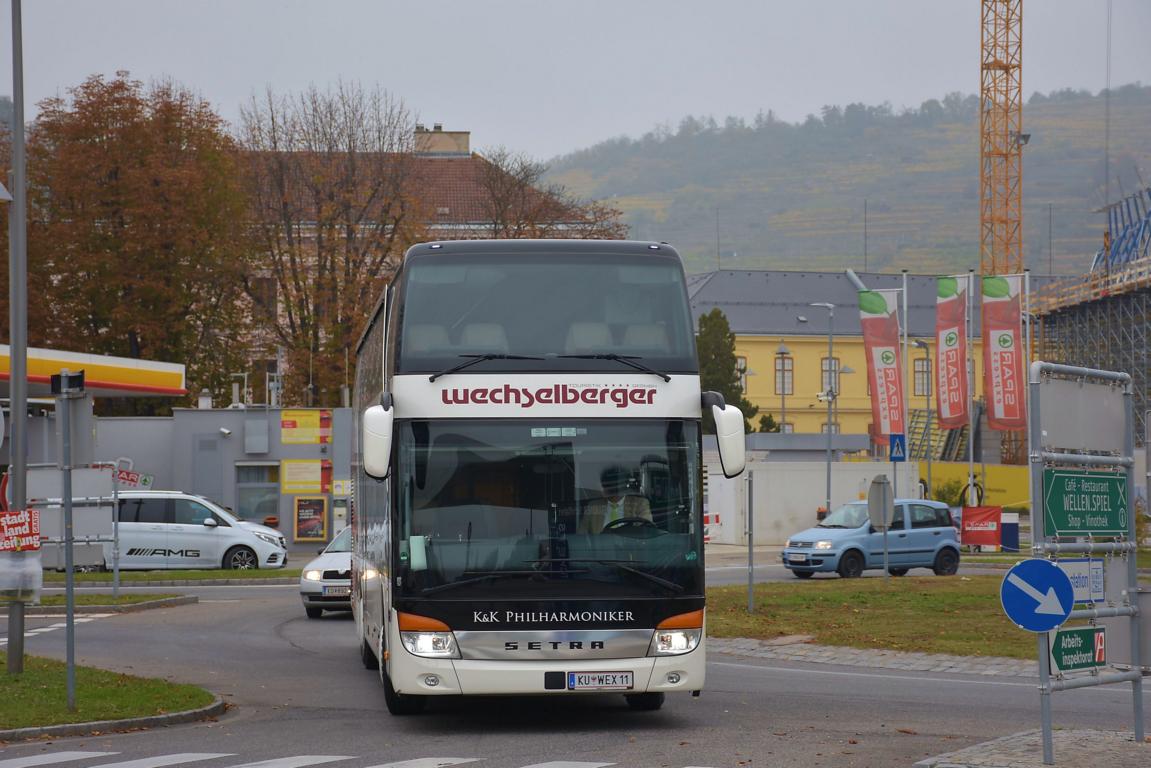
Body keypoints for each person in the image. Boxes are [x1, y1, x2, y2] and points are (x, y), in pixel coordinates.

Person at [579, 465, 651, 533]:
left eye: (608, 485)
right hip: (600, 546)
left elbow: (647, 530)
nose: (601, 489)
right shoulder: (593, 506)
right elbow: (581, 534)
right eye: (604, 485)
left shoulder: (640, 504)